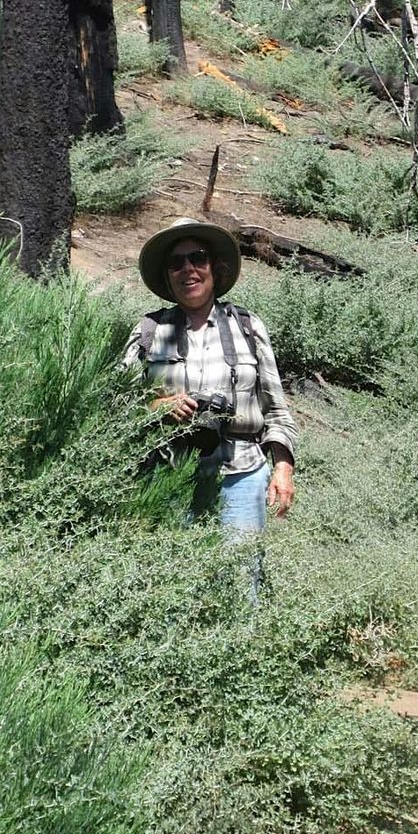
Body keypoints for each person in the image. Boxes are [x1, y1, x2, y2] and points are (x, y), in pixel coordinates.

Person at [124, 217, 297, 597]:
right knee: (172, 588)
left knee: (239, 585)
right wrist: (154, 405)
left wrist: (282, 467)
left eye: (197, 258)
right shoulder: (149, 332)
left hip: (241, 474)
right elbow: (115, 403)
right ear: (168, 277)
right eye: (177, 263)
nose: (188, 269)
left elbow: (276, 407)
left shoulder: (249, 327)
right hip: (171, 476)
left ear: (214, 269)